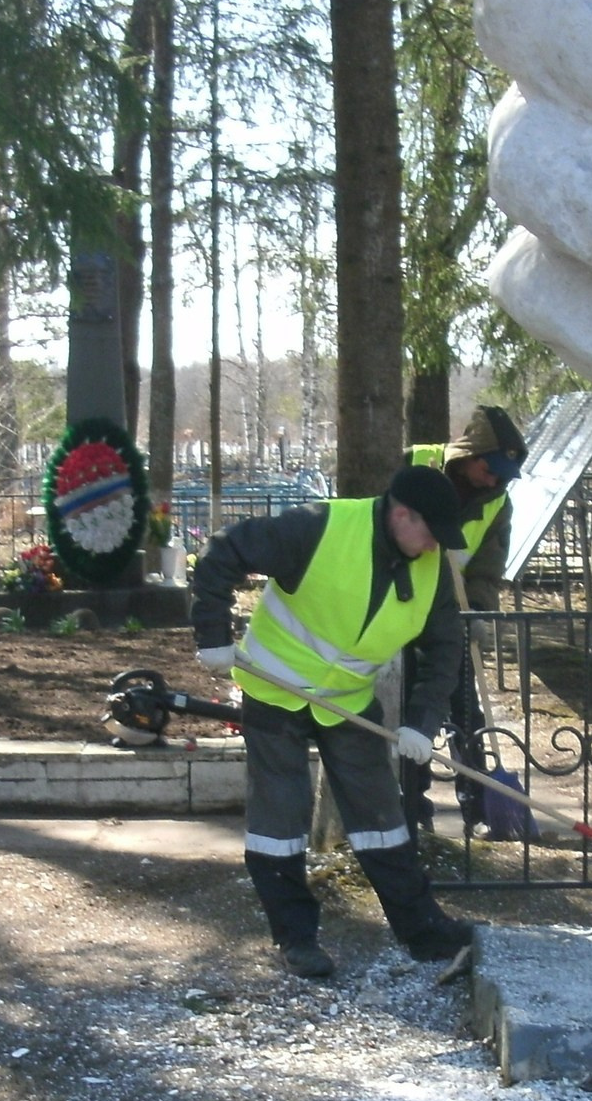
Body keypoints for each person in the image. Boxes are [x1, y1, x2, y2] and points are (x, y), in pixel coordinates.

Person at [191, 466, 478, 980]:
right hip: (276, 690)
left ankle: (422, 932)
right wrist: (212, 633)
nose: (435, 545)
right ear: (400, 513)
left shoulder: (431, 568)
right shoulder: (319, 526)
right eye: (429, 531)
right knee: (279, 822)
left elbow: (444, 651)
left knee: (381, 817)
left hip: (348, 703)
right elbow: (225, 551)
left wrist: (420, 722)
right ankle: (296, 939)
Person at [403, 404, 528, 830]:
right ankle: (413, 809)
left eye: (501, 477)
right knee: (409, 714)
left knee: (465, 714)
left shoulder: (497, 504)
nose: (494, 481)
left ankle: (478, 807)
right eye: (490, 470)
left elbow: (488, 568)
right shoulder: (417, 464)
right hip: (398, 611)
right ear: (472, 456)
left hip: (450, 617)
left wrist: (477, 611)